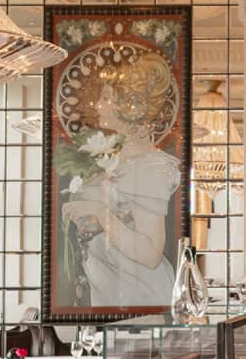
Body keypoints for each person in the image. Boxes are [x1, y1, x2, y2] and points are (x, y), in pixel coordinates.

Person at [60, 52, 181, 308]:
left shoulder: (151, 169)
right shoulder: (113, 158)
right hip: (111, 296)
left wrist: (98, 212)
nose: (98, 105)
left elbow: (150, 255)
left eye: (106, 98)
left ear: (128, 108)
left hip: (142, 301)